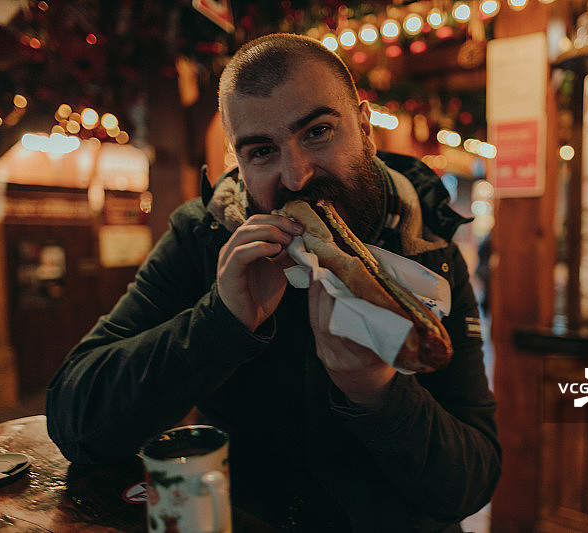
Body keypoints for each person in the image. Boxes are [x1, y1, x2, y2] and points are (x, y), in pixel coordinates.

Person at [46, 33, 501, 533]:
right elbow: (76, 422)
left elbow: (471, 483)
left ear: (366, 131)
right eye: (262, 151)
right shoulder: (204, 234)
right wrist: (219, 324)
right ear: (238, 164)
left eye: (318, 132)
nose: (297, 175)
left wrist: (378, 395)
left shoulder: (430, 252)